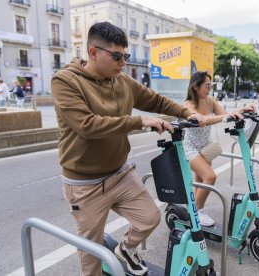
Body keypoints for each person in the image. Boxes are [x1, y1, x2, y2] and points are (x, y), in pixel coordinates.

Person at [51, 22, 206, 276]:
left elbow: (154, 99)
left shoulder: (122, 81)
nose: (122, 62)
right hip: (84, 185)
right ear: (93, 52)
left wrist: (186, 111)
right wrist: (140, 120)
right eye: (116, 56)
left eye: (126, 56)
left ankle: (125, 249)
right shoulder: (66, 82)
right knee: (91, 253)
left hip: (119, 173)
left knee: (149, 217)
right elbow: (87, 125)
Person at [183, 71, 254, 226]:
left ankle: (192, 209)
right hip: (190, 148)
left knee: (201, 179)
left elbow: (226, 115)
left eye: (211, 86)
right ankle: (198, 211)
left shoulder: (210, 101)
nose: (209, 89)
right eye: (206, 86)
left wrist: (242, 110)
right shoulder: (188, 105)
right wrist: (221, 118)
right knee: (210, 177)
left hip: (205, 146)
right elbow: (205, 120)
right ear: (195, 87)